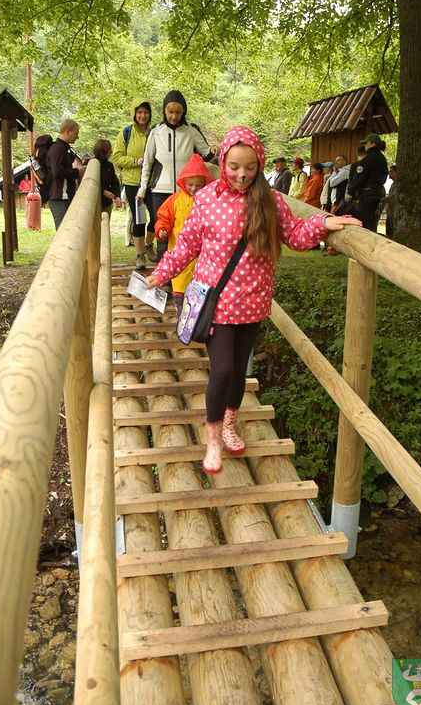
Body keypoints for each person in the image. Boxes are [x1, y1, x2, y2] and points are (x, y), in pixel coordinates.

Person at [145, 126, 361, 474]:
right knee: (222, 371)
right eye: (233, 167)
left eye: (249, 167)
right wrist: (162, 272)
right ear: (223, 163)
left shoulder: (270, 200)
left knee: (238, 372)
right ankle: (213, 438)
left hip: (252, 302)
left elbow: (295, 235)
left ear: (259, 164)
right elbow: (186, 245)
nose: (241, 174)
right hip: (216, 303)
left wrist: (324, 222)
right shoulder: (207, 199)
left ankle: (229, 425)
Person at [137, 90, 219, 264]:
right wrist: (142, 189)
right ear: (164, 111)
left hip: (187, 191)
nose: (173, 116)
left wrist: (213, 150)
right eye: (170, 112)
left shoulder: (191, 130)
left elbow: (205, 153)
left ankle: (188, 271)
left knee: (188, 232)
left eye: (177, 112)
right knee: (162, 232)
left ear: (183, 112)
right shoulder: (156, 131)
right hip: (160, 190)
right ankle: (163, 272)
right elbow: (147, 163)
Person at [154, 154, 215, 318]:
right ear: (183, 182)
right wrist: (161, 229)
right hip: (179, 253)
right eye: (190, 184)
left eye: (198, 185)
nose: (194, 188)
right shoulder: (175, 199)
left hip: (202, 257)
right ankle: (181, 319)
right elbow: (164, 217)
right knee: (180, 291)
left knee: (199, 293)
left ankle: (197, 322)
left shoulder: (210, 201)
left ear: (205, 184)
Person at [112, 98, 155, 269]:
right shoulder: (126, 132)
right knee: (139, 220)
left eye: (145, 112)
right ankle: (140, 255)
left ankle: (149, 244)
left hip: (153, 182)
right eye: (139, 112)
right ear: (134, 114)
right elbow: (117, 158)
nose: (142, 116)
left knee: (157, 217)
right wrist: (136, 161)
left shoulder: (154, 132)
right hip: (132, 183)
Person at [45, 119, 86, 230]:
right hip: (59, 197)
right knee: (63, 231)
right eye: (76, 133)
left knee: (69, 229)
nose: (77, 137)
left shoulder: (64, 148)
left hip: (65, 197)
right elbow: (57, 172)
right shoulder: (57, 149)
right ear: (67, 131)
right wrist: (77, 171)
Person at [346, 133, 388, 232]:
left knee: (364, 224)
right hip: (378, 193)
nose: (364, 145)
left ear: (373, 143)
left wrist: (350, 192)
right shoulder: (382, 159)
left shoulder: (368, 159)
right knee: (373, 224)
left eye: (366, 143)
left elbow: (359, 177)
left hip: (367, 195)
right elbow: (384, 177)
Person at [92, 139, 122, 219]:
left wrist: (117, 196)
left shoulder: (109, 165)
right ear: (104, 150)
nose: (111, 152)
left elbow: (114, 182)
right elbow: (90, 183)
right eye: (109, 149)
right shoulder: (92, 163)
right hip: (94, 203)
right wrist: (103, 192)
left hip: (106, 203)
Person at [384, 164, 398, 238]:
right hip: (390, 213)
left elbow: (393, 197)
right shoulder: (393, 184)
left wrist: (383, 200)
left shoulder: (398, 184)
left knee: (392, 235)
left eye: (391, 171)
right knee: (388, 235)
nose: (389, 173)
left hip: (394, 214)